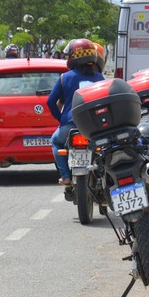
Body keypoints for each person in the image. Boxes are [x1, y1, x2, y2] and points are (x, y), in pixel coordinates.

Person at [47, 38, 105, 186]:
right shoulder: (100, 78)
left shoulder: (64, 77)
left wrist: (61, 119)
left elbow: (50, 102)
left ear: (74, 57)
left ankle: (66, 176)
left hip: (70, 126)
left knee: (55, 141)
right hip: (94, 128)